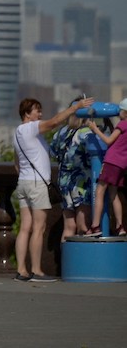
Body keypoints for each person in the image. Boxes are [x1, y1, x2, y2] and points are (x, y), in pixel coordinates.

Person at [13, 95, 92, 281]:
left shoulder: (17, 132)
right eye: (37, 111)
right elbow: (55, 121)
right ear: (27, 114)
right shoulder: (31, 128)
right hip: (36, 184)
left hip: (23, 183)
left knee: (25, 228)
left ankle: (21, 270)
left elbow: (16, 163)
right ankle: (37, 270)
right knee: (39, 228)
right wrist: (76, 108)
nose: (40, 114)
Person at [84, 103, 126, 237]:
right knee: (113, 194)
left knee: (100, 191)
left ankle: (95, 226)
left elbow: (108, 141)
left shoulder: (123, 124)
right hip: (122, 164)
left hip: (111, 161)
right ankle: (120, 227)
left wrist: (95, 128)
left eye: (120, 111)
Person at [52, 108, 93, 238]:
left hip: (63, 181)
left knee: (69, 226)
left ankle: (66, 258)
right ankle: (81, 257)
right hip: (81, 181)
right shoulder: (86, 133)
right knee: (83, 225)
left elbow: (53, 152)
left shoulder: (61, 133)